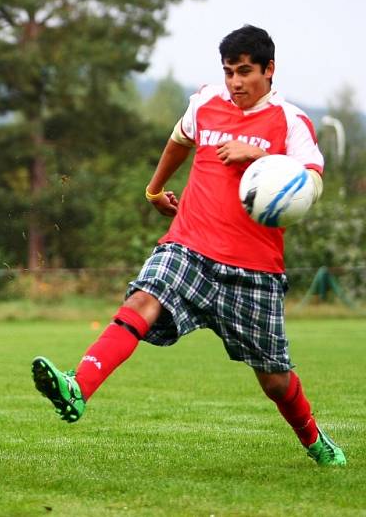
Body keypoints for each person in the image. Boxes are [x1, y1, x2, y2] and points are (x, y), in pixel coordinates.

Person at [31, 25, 346, 466]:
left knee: (275, 381)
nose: (235, 82)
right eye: (229, 72)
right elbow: (179, 140)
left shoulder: (291, 122)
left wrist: (257, 157)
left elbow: (312, 181)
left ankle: (315, 440)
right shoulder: (205, 102)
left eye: (245, 72)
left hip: (253, 270)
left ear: (269, 70)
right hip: (190, 246)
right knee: (143, 299)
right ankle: (78, 387)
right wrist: (154, 189)